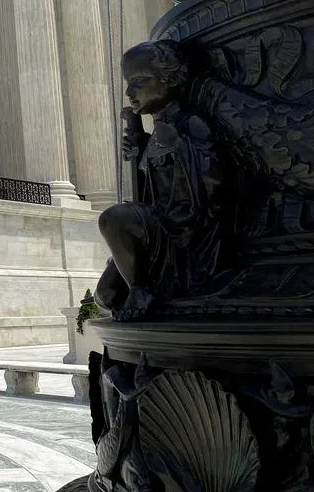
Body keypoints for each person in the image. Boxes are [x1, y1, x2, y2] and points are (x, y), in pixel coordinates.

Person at [95, 40, 228, 321]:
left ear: (172, 79)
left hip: (182, 228)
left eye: (139, 81)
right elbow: (152, 191)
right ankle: (139, 287)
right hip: (160, 224)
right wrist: (141, 150)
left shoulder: (189, 124)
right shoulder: (158, 132)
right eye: (128, 83)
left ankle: (142, 289)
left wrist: (173, 146)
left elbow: (211, 188)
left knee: (112, 218)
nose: (130, 92)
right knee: (105, 296)